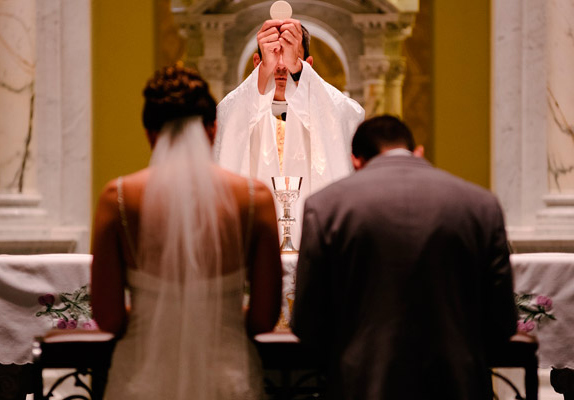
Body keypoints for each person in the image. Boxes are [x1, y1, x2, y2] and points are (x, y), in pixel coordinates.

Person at [291, 115, 517, 399]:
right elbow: (502, 321)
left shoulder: (324, 206)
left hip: (362, 382)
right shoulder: (482, 204)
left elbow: (308, 322)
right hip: (457, 383)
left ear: (356, 160)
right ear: (417, 151)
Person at [91, 65, 282, 399]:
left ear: (150, 133)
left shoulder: (117, 198)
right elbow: (264, 320)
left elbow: (108, 319)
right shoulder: (255, 199)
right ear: (212, 129)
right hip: (226, 374)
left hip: (142, 375)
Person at [214, 19, 365, 241]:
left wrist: (298, 69)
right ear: (257, 62)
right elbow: (225, 121)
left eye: (290, 58)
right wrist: (267, 68)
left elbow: (349, 116)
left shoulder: (326, 106)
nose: (282, 66)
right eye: (274, 57)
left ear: (308, 64)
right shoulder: (240, 109)